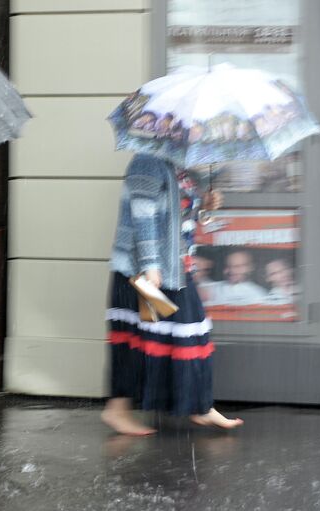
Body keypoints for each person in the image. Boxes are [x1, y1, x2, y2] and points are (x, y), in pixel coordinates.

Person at [103, 153, 243, 436]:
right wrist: (150, 266)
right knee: (141, 341)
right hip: (144, 274)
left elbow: (179, 221)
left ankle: (199, 407)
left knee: (170, 338)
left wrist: (204, 207)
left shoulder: (177, 167)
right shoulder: (147, 162)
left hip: (173, 269)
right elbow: (143, 217)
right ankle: (119, 410)